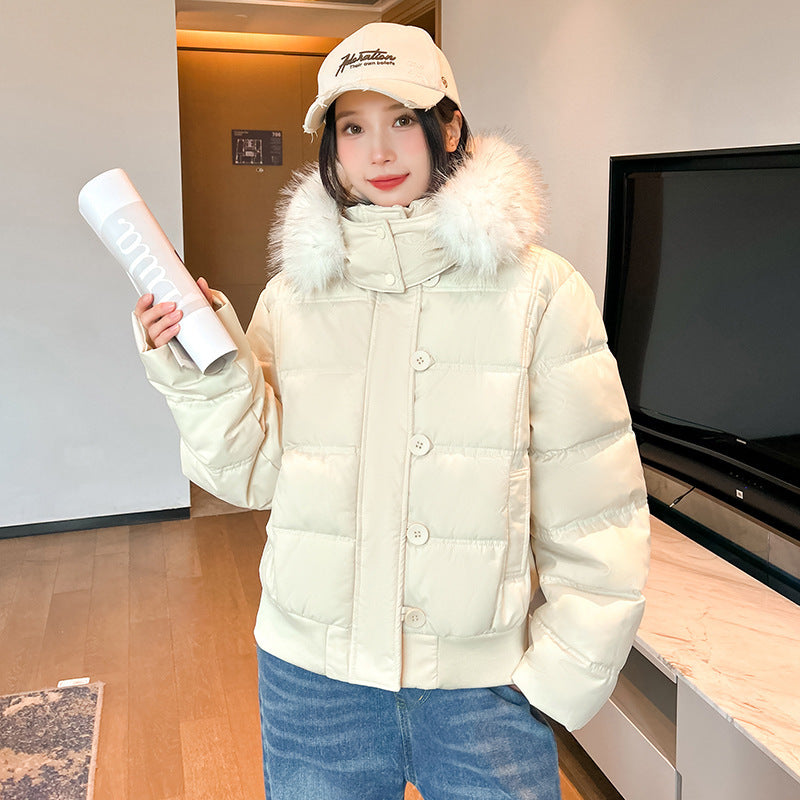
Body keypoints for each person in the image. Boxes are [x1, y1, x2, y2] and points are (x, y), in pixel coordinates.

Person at [133, 22, 650, 800]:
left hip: (484, 689)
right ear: (332, 145)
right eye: (352, 128)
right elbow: (250, 477)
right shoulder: (294, 296)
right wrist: (200, 370)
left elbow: (596, 509)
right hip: (314, 684)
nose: (378, 152)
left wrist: (562, 673)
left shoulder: (540, 291)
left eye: (401, 119)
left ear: (449, 126)